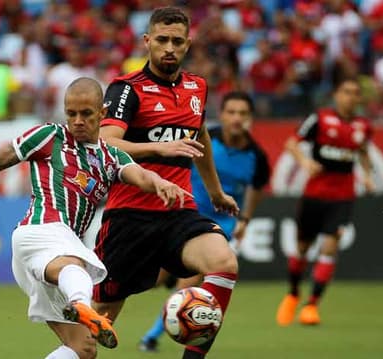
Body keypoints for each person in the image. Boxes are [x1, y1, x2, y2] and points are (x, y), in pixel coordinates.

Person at [0, 77, 191, 359]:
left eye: (86, 113)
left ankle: (81, 307)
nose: (77, 120)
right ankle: (83, 307)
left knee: (83, 349)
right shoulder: (50, 136)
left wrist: (161, 183)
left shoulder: (112, 157)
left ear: (102, 114)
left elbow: (141, 175)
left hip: (49, 252)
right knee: (76, 268)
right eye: (71, 113)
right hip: (40, 230)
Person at [93, 7, 240, 359]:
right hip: (130, 217)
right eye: (162, 40)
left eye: (177, 41)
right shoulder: (126, 89)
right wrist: (158, 147)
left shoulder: (197, 87)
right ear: (147, 41)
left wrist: (216, 192)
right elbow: (106, 141)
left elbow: (199, 138)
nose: (169, 48)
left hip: (178, 212)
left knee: (225, 263)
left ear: (187, 45)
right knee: (95, 330)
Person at [138, 91, 271, 352]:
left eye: (243, 113)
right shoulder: (203, 139)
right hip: (183, 218)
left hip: (220, 226)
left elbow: (256, 189)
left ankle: (152, 336)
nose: (236, 118)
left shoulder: (257, 156)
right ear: (221, 114)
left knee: (193, 282)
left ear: (250, 118)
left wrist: (245, 218)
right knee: (151, 279)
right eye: (231, 112)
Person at [275, 76, 375, 327]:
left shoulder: (363, 126)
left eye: (355, 93)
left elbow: (363, 151)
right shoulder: (318, 119)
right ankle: (293, 293)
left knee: (330, 246)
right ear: (337, 95)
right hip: (314, 195)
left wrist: (367, 174)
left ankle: (311, 305)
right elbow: (291, 144)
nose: (351, 97)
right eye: (346, 92)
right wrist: (305, 162)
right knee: (302, 249)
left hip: (342, 197)